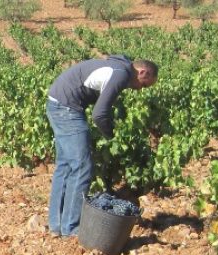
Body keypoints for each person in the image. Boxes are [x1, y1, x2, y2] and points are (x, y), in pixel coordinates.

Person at [45, 55, 158, 237]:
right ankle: (71, 227)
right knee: (82, 167)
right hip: (67, 108)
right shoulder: (120, 74)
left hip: (57, 102)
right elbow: (99, 114)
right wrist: (113, 137)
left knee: (65, 166)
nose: (139, 90)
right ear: (142, 72)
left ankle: (56, 224)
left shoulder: (120, 65)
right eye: (144, 85)